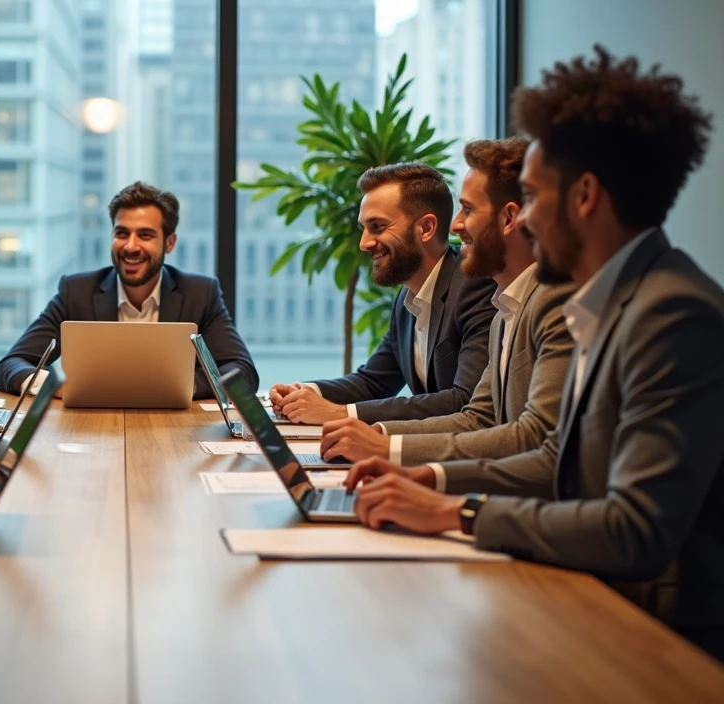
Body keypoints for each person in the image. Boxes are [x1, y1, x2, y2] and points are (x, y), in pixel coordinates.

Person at [344, 46, 724, 659]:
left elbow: (635, 529)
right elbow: (554, 459)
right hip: (589, 590)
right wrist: (427, 479)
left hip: (659, 634)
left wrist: (456, 512)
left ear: (585, 197)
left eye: (535, 197)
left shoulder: (671, 313)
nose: (524, 219)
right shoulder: (611, 300)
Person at [317, 138, 574, 465]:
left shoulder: (546, 301)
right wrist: (376, 435)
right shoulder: (503, 311)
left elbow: (530, 439)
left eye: (468, 209)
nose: (455, 224)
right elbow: (478, 419)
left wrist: (382, 445)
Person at [269, 163, 497, 424]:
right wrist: (306, 393)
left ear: (426, 228)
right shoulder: (407, 298)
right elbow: (373, 382)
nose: (364, 243)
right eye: (364, 229)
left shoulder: (473, 285)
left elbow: (465, 400)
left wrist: (339, 413)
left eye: (377, 226)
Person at [0, 181, 257, 399]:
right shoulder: (77, 292)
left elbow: (242, 372)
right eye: (121, 233)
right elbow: (12, 364)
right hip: (92, 431)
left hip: (174, 430)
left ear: (169, 243)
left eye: (145, 235)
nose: (130, 246)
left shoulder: (200, 295)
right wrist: (52, 385)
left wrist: (185, 386)